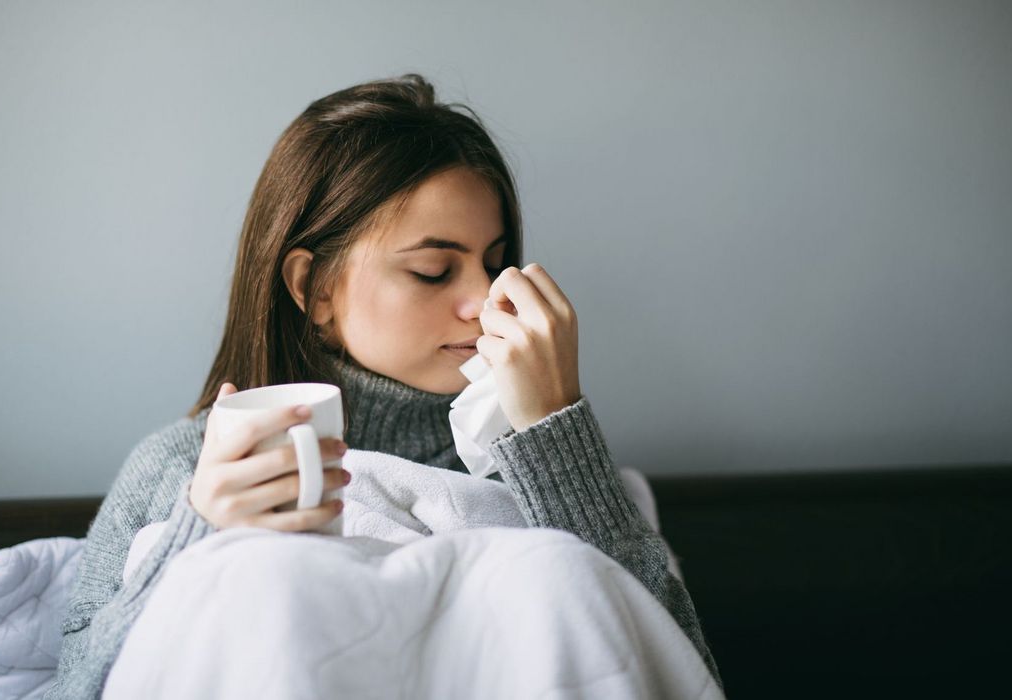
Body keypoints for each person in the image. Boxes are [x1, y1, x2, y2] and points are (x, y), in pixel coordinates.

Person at [45, 73, 722, 698]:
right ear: (313, 289)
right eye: (434, 270)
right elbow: (75, 686)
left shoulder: (550, 470)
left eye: (495, 263)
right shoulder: (179, 467)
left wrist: (555, 432)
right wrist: (196, 536)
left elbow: (675, 673)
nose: (484, 300)